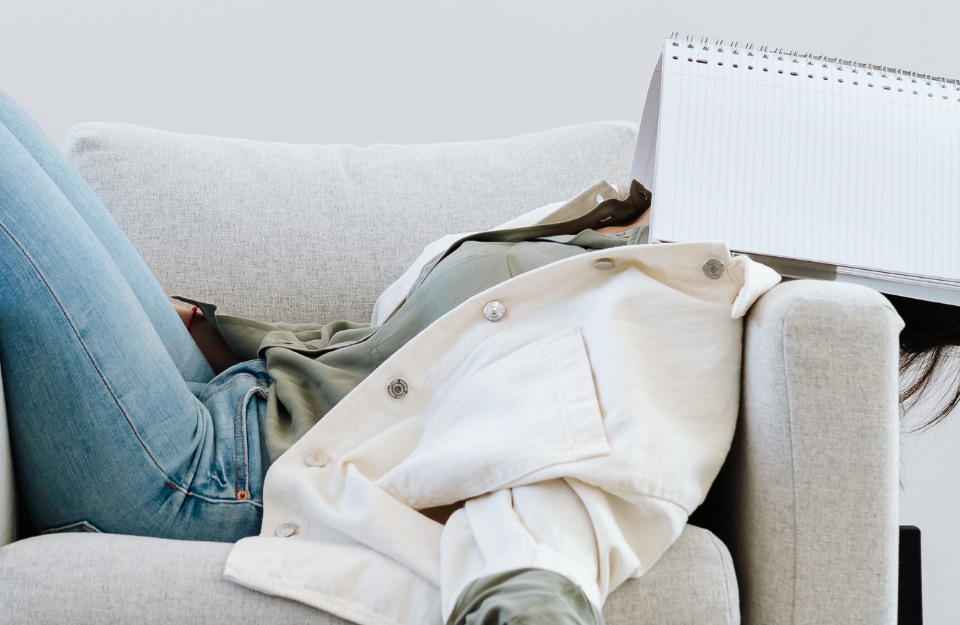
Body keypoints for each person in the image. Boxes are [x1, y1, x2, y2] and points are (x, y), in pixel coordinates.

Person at [0, 88, 951, 624]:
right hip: (220, 390)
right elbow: (387, 371)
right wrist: (214, 324)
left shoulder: (683, 328)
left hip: (199, 474)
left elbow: (559, 511)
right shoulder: (629, 239)